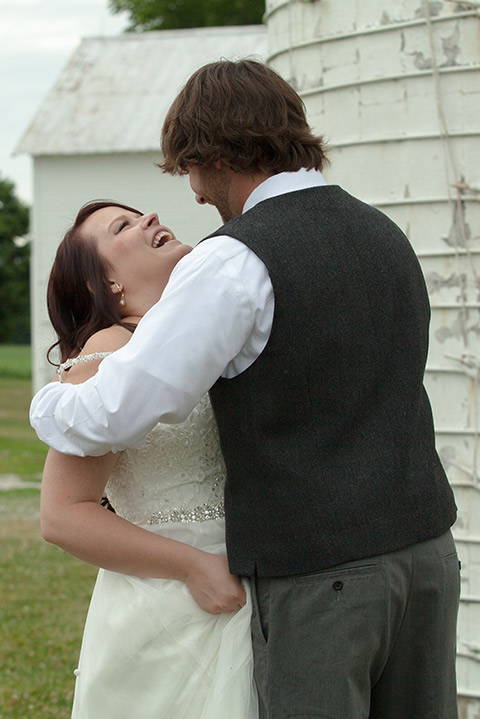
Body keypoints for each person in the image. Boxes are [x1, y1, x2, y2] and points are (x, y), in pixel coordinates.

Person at [31, 60, 460, 719]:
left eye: (191, 172)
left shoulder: (234, 259)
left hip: (321, 579)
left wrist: (53, 399)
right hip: (426, 557)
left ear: (214, 153)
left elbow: (119, 408)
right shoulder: (383, 233)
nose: (194, 196)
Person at [38, 200, 258, 719]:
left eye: (140, 215)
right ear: (104, 284)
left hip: (244, 579)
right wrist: (195, 569)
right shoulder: (109, 352)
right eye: (124, 227)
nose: (150, 219)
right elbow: (62, 514)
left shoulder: (194, 337)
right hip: (169, 601)